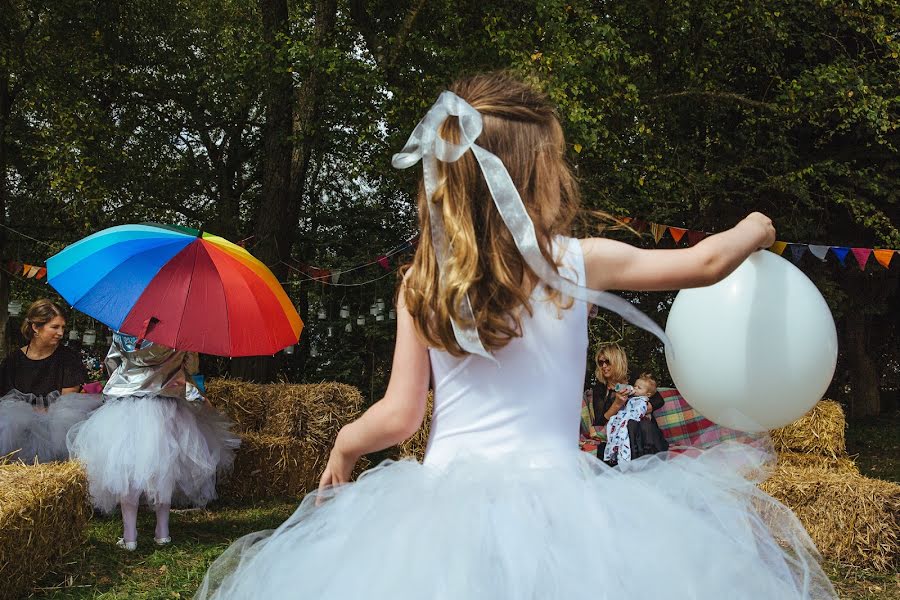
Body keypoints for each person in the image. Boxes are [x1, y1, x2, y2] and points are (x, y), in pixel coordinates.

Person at [194, 73, 835, 599]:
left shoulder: (424, 281)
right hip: (564, 503)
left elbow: (399, 413)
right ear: (532, 176)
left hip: (442, 513)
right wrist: (756, 224)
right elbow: (704, 264)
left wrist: (344, 443)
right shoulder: (572, 262)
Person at [67, 332, 239, 551]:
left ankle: (130, 536)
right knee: (164, 466)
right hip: (167, 407)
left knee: (125, 468)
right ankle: (162, 531)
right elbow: (191, 369)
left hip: (126, 407)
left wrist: (131, 379)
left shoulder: (123, 329)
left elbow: (112, 363)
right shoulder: (181, 331)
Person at [0, 299, 99, 462]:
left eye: (63, 327)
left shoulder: (68, 358)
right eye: (55, 327)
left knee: (66, 416)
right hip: (18, 424)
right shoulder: (14, 361)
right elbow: (6, 399)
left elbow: (69, 401)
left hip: (55, 424)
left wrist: (42, 414)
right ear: (35, 328)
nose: (60, 333)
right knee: (9, 419)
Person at [586, 344, 668, 464]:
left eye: (607, 362)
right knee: (629, 426)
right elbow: (600, 421)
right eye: (600, 362)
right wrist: (617, 404)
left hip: (643, 433)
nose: (604, 366)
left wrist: (640, 409)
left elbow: (658, 400)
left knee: (639, 424)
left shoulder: (635, 378)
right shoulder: (600, 389)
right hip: (621, 435)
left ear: (617, 361)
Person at [603, 372, 667, 464]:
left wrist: (644, 408)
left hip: (640, 428)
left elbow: (658, 401)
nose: (635, 388)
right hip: (629, 425)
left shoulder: (643, 399)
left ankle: (642, 454)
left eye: (639, 388)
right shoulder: (627, 397)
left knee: (637, 425)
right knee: (623, 424)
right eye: (635, 386)